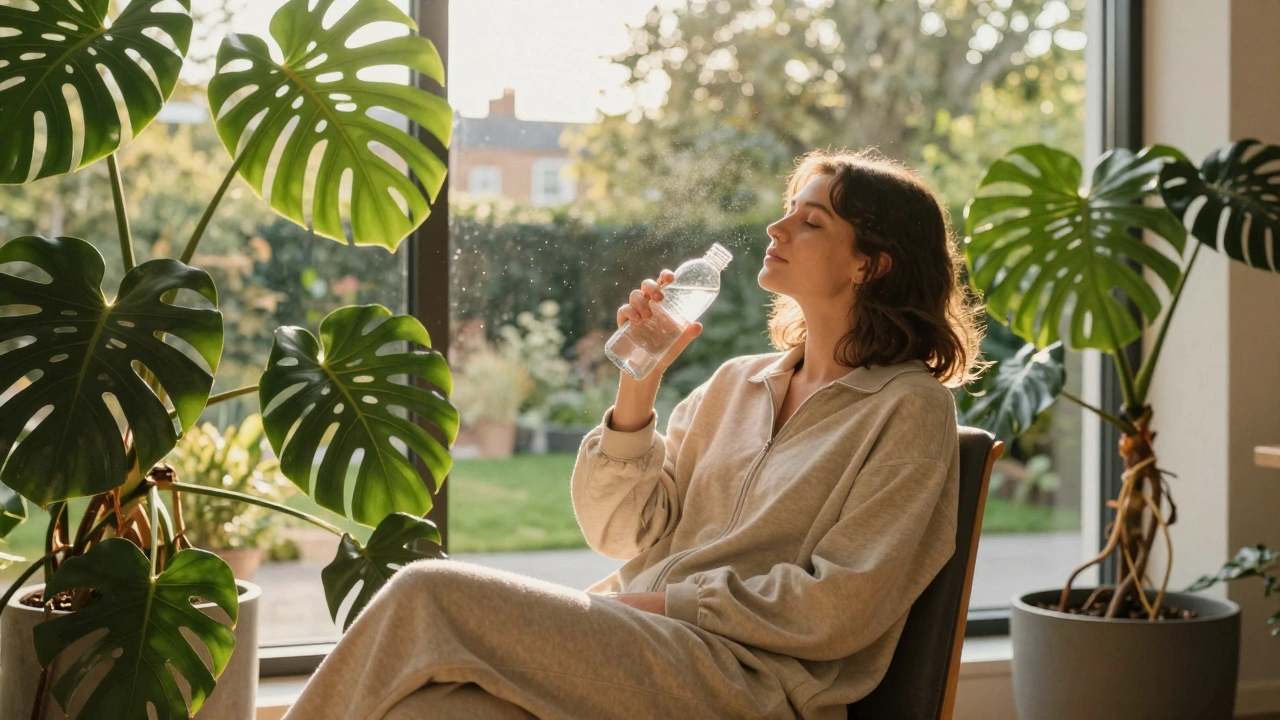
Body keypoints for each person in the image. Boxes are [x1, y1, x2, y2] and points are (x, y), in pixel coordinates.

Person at [282, 149, 985, 720]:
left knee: (427, 591)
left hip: (749, 683)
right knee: (432, 709)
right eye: (787, 211)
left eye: (811, 221)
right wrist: (640, 375)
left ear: (870, 263)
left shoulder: (908, 410)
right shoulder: (737, 384)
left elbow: (840, 606)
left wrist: (652, 603)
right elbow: (619, 532)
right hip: (645, 646)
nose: (777, 228)